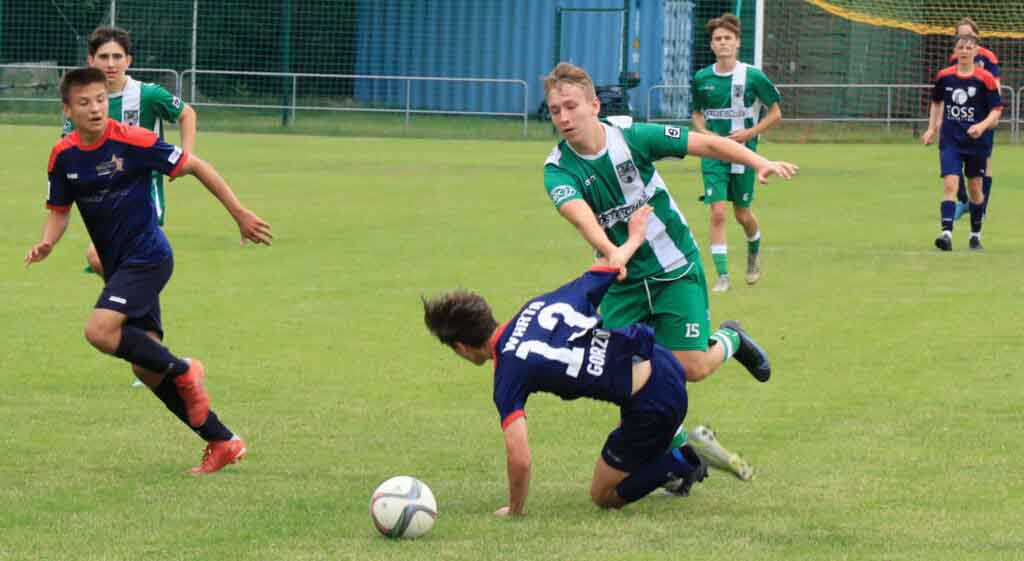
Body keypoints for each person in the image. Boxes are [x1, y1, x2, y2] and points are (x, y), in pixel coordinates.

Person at [24, 67, 272, 474]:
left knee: (100, 331)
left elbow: (197, 166)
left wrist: (239, 213)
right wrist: (48, 241)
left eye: (101, 99)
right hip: (119, 266)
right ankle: (222, 440)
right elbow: (59, 209)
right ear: (67, 110)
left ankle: (184, 368)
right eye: (84, 102)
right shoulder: (63, 154)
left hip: (149, 256)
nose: (96, 108)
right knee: (145, 366)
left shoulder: (132, 140)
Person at [424, 207, 715, 514]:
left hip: (653, 399)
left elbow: (520, 458)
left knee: (603, 495)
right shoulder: (536, 306)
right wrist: (634, 238)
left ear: (461, 347)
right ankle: (674, 451)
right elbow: (610, 265)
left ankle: (686, 458)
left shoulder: (507, 373)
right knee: (629, 437)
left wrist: (515, 509)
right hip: (661, 359)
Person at [542, 61, 796, 390]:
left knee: (693, 367)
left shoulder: (632, 137)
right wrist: (610, 252)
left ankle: (732, 337)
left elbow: (707, 144)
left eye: (571, 107)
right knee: (627, 382)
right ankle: (675, 444)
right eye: (554, 110)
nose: (563, 118)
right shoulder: (558, 169)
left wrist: (761, 162)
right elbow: (580, 217)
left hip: (673, 264)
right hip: (622, 280)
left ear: (594, 105)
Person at [65, 26, 198, 278]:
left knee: (99, 257)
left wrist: (185, 157)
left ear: (129, 60)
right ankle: (134, 310)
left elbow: (186, 114)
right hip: (106, 201)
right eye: (104, 57)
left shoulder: (147, 95)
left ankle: (130, 306)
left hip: (144, 197)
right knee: (118, 268)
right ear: (91, 60)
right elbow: (71, 147)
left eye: (117, 57)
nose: (111, 64)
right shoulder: (84, 104)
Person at [690, 13, 782, 293]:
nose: (723, 43)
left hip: (744, 154)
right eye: (717, 39)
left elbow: (776, 113)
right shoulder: (702, 78)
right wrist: (705, 134)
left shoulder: (752, 76)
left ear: (737, 42)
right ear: (712, 45)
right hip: (713, 154)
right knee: (717, 212)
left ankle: (754, 249)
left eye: (727, 38)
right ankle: (723, 276)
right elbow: (696, 114)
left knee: (742, 214)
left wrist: (749, 134)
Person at [922, 34, 1002, 251]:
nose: (965, 51)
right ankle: (946, 233)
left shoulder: (985, 79)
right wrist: (932, 128)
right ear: (955, 52)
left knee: (975, 189)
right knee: (950, 184)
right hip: (951, 141)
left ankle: (975, 235)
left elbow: (997, 110)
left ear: (976, 52)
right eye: (961, 47)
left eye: (969, 47)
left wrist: (982, 126)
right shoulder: (945, 77)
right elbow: (937, 103)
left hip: (977, 143)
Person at [948, 17, 1000, 222]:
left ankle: (981, 207)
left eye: (969, 35)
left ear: (976, 36)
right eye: (960, 35)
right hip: (959, 116)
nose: (965, 39)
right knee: (952, 157)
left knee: (983, 161)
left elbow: (995, 86)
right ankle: (963, 201)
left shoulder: (988, 57)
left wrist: (992, 115)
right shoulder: (955, 58)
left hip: (982, 115)